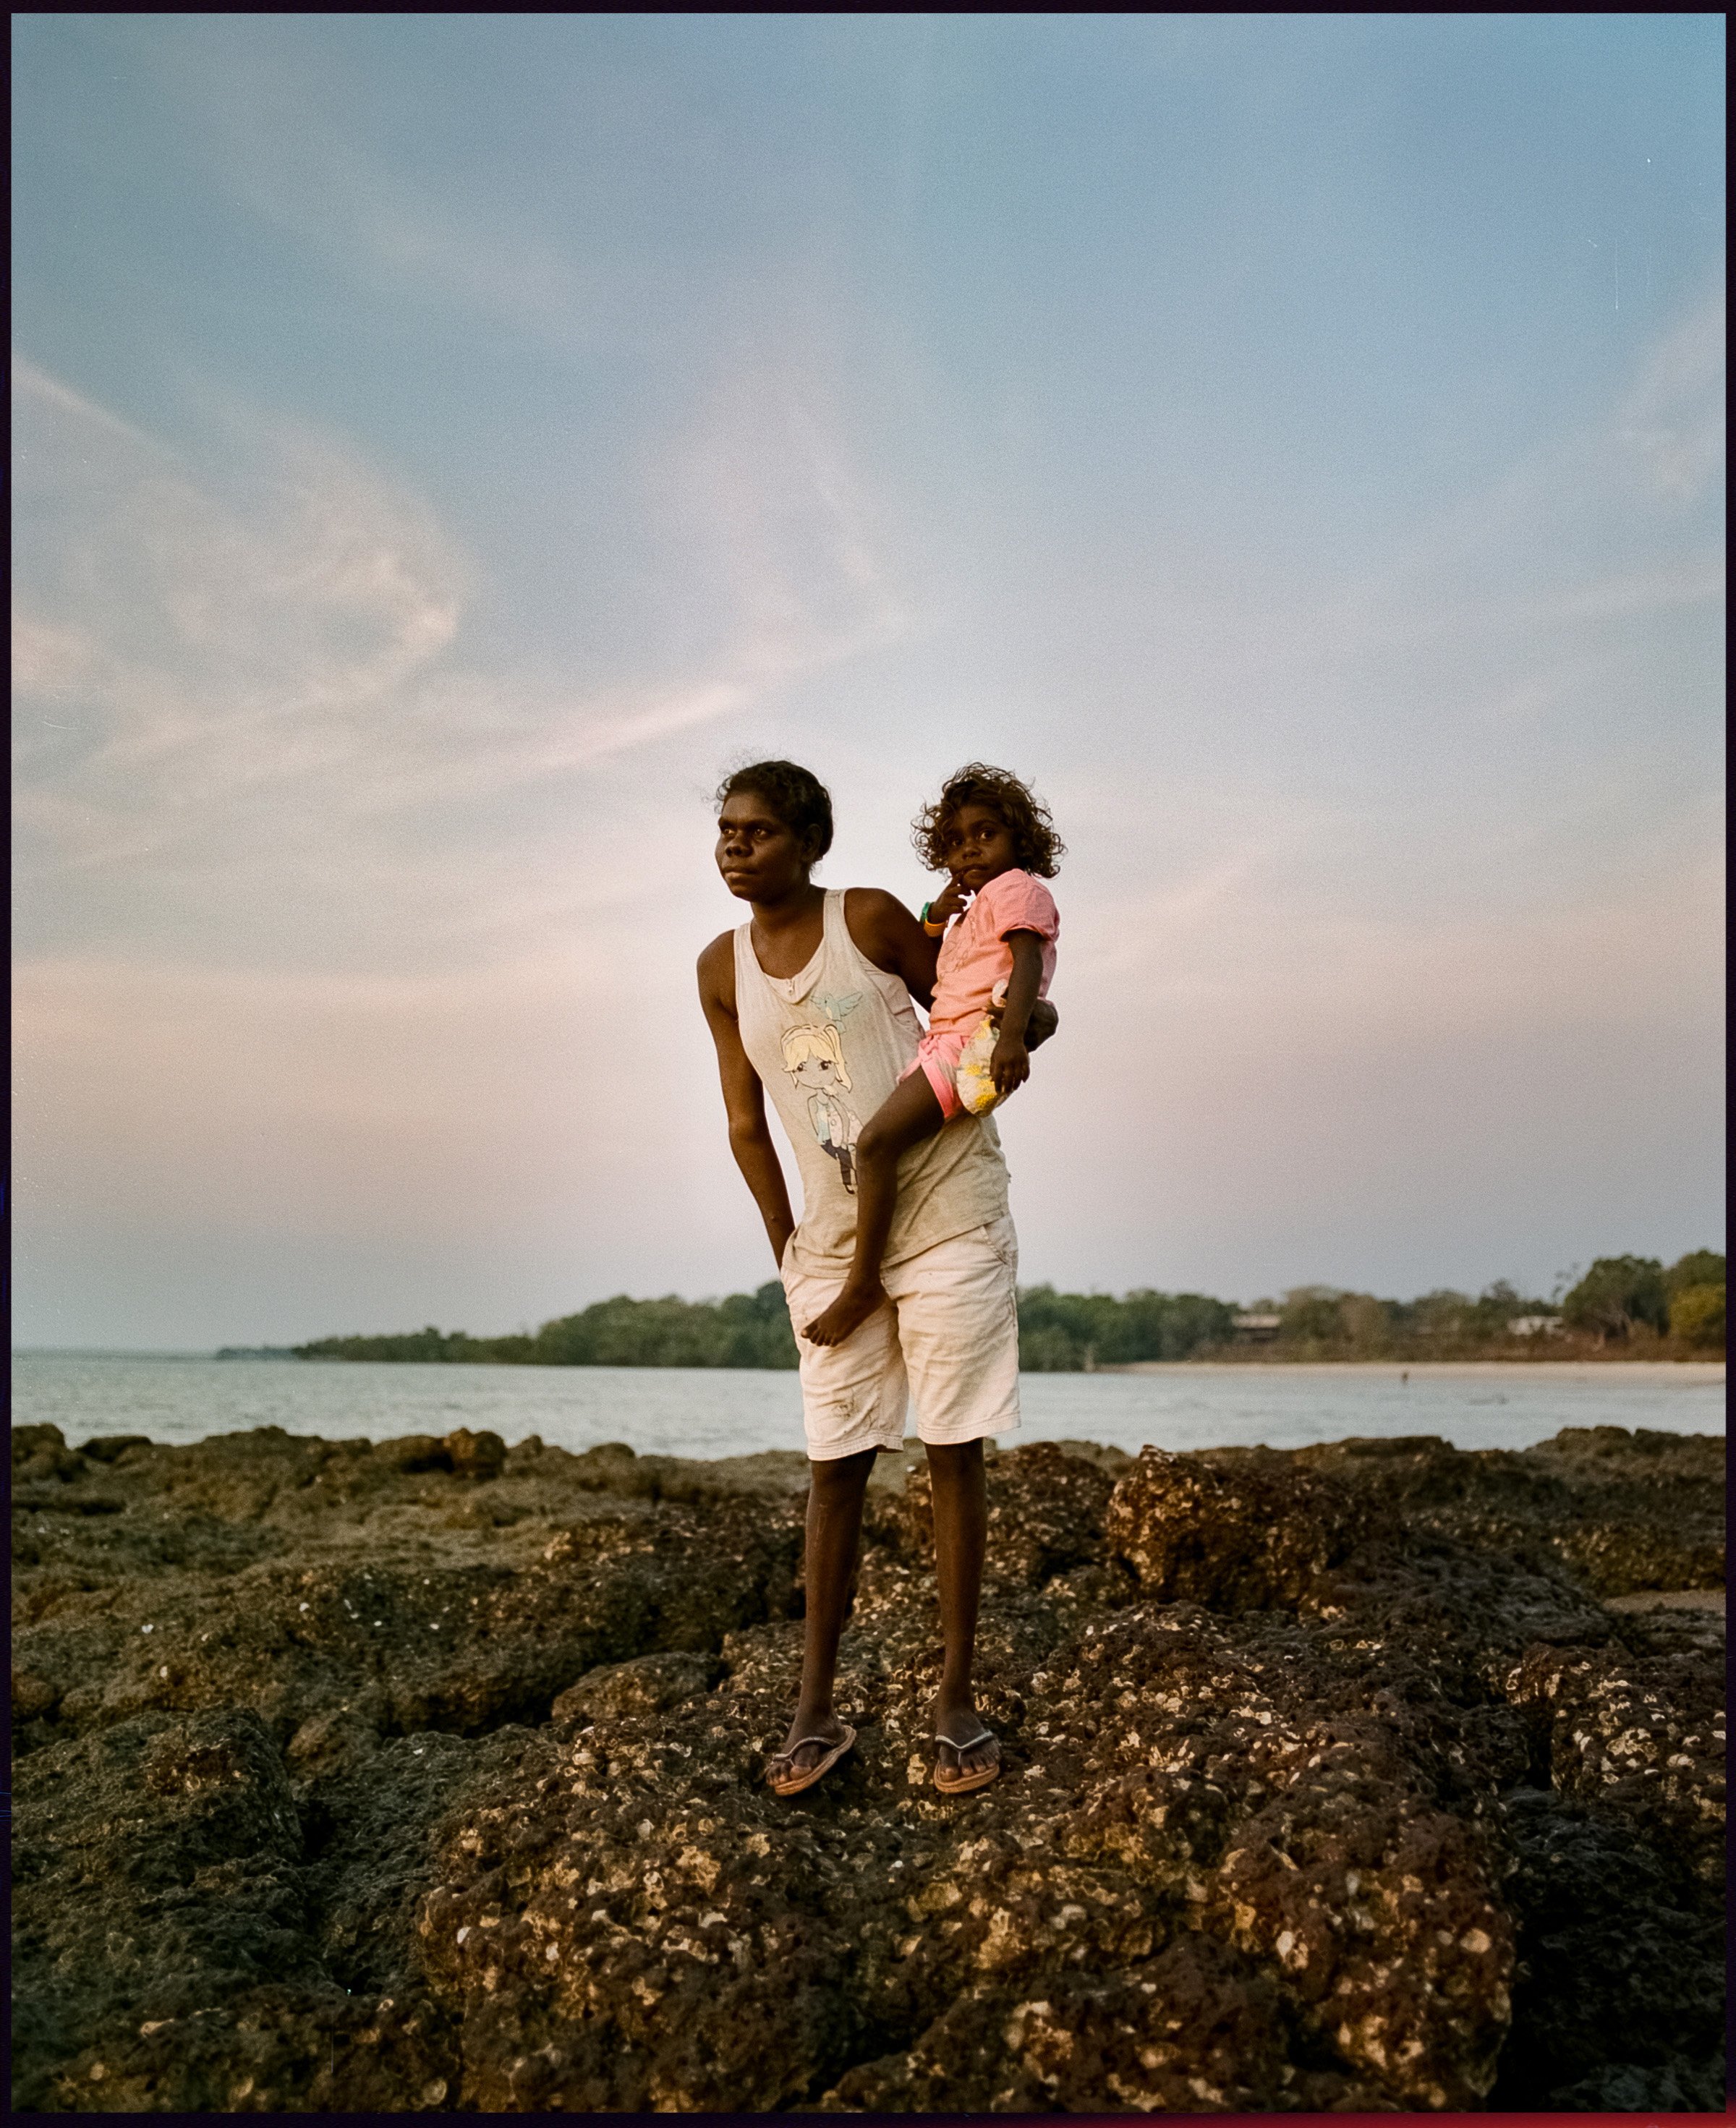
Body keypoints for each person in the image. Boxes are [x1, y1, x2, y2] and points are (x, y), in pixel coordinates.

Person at [697, 759, 1058, 1799]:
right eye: (725, 829)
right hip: (830, 1245)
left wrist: (1032, 1024)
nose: (734, 845)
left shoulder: (870, 918)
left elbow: (983, 988)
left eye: (757, 831)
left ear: (810, 840)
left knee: (951, 1447)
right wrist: (788, 1255)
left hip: (946, 1211)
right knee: (835, 1466)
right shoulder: (721, 969)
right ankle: (814, 1706)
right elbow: (742, 1124)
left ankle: (954, 1695)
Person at [801, 764, 1062, 1350]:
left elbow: (1025, 964)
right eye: (955, 842)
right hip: (944, 1042)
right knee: (886, 1147)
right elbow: (939, 959)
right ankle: (884, 1267)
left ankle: (862, 1282)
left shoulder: (1018, 888)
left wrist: (1015, 1037)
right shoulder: (979, 904)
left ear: (1019, 839)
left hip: (972, 1042)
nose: (969, 849)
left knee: (873, 1143)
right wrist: (939, 911)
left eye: (985, 834)